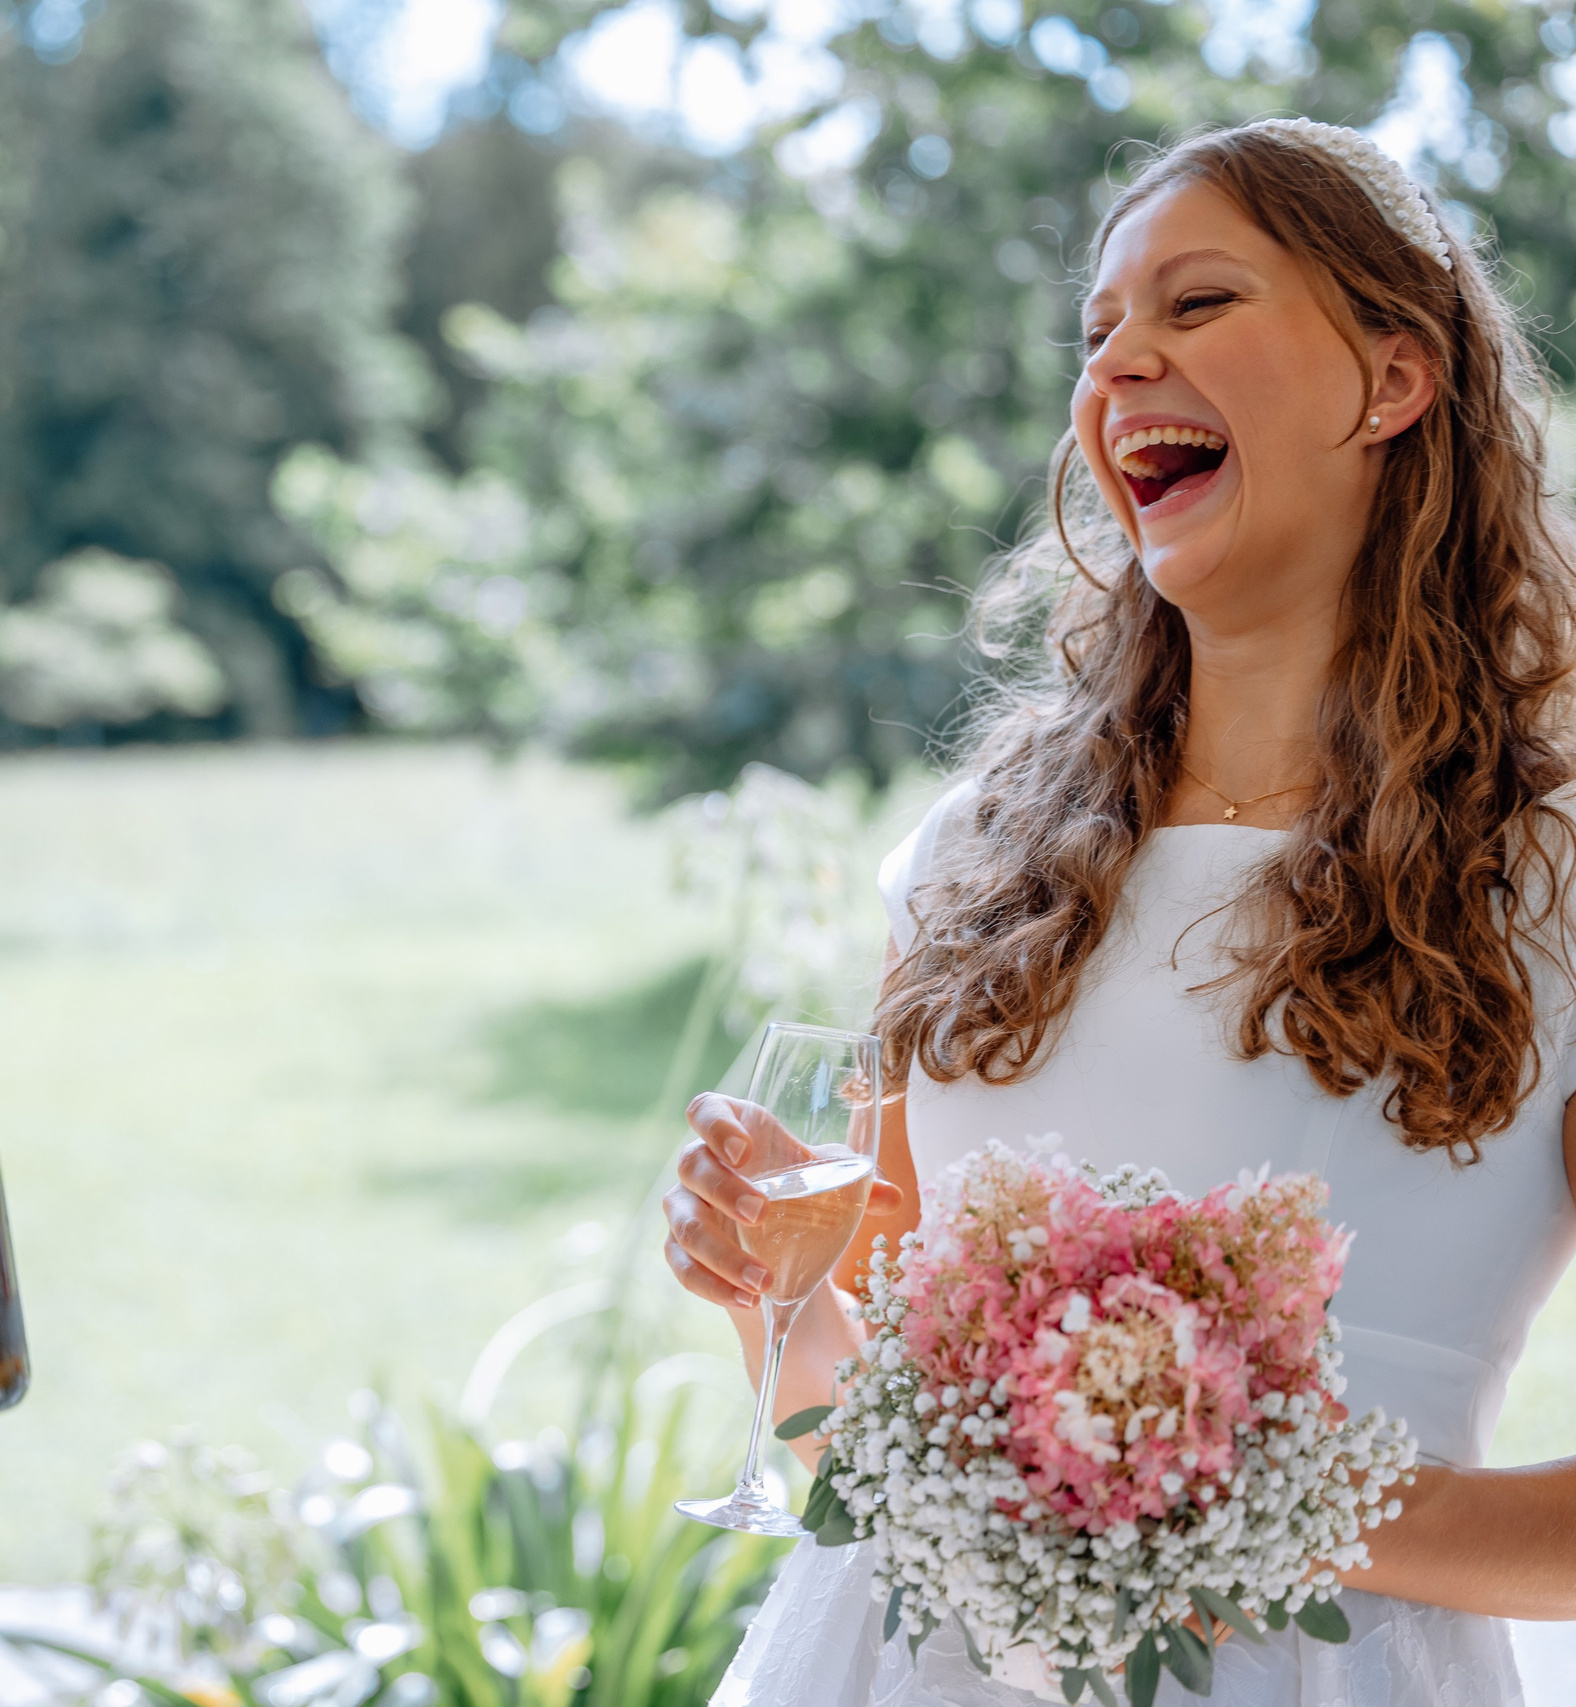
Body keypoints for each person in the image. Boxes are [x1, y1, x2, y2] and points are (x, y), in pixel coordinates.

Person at [665, 119, 1576, 1705]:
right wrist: (767, 1288)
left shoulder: (1552, 875)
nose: (1120, 365)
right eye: (1098, 336)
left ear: (1393, 380)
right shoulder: (972, 854)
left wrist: (1270, 1502)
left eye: (1198, 304)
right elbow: (849, 1423)